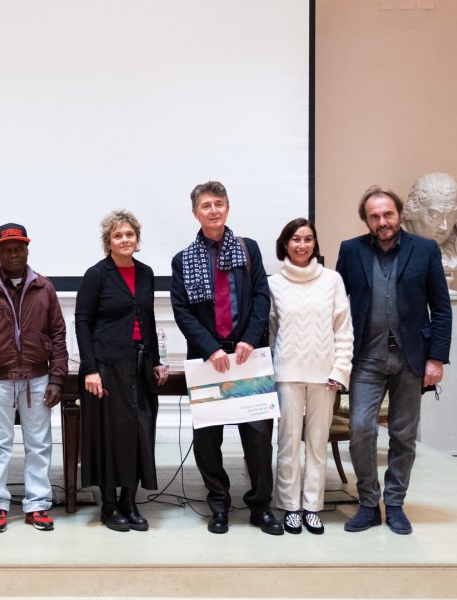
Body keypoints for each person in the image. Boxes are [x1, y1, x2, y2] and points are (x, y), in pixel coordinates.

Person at [336, 186, 451, 535]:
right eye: (374, 216)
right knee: (360, 430)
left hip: (411, 358)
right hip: (365, 358)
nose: (382, 221)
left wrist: (436, 358)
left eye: (388, 214)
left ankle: (396, 504)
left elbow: (441, 308)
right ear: (366, 220)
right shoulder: (351, 250)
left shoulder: (425, 250)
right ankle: (369, 504)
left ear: (399, 214)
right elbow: (336, 304)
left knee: (403, 435)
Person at [169, 180, 282, 535]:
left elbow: (261, 297)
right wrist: (211, 348)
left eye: (219, 204)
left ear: (228, 208)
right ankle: (218, 505)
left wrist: (248, 339)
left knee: (258, 437)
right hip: (208, 361)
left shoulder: (248, 249)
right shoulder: (182, 260)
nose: (213, 210)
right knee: (207, 440)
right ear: (195, 213)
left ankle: (260, 507)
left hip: (249, 357)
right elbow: (182, 311)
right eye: (206, 205)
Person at [0, 223, 68, 533]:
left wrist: (57, 378)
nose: (13, 254)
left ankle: (37, 504)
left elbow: (58, 335)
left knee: (39, 444)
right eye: (6, 249)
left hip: (38, 378)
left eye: (19, 248)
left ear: (27, 250)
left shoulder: (44, 288)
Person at [76, 210, 169, 532]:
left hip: (140, 364)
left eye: (129, 234)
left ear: (137, 239)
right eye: (118, 235)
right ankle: (109, 505)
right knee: (110, 435)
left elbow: (149, 320)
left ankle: (130, 502)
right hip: (107, 365)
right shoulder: (96, 274)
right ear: (108, 242)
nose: (125, 239)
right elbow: (82, 322)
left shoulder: (146, 273)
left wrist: (156, 360)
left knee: (140, 432)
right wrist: (90, 369)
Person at [268, 218, 353, 535]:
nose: (302, 245)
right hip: (287, 374)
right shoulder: (273, 284)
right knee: (288, 443)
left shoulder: (332, 280)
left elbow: (343, 330)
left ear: (315, 243)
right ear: (285, 244)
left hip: (325, 376)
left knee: (317, 444)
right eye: (295, 239)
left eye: (308, 239)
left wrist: (340, 370)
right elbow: (272, 333)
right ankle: (290, 507)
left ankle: (313, 508)